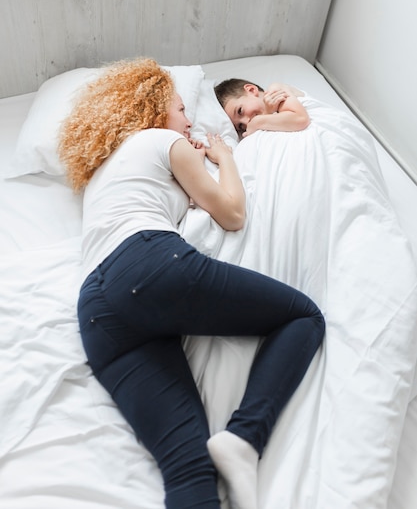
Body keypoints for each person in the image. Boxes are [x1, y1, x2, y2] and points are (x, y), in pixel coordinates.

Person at [58, 57, 325, 509]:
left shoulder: (103, 171)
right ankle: (244, 437)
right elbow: (232, 214)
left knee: (187, 469)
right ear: (157, 107)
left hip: (97, 312)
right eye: (182, 110)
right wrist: (224, 158)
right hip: (145, 264)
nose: (187, 122)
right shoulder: (162, 140)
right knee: (302, 316)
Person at [214, 78, 310, 138]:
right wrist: (267, 114)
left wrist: (258, 121)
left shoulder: (275, 90)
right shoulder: (267, 119)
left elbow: (300, 119)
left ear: (251, 90)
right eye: (240, 126)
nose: (246, 122)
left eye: (240, 111)